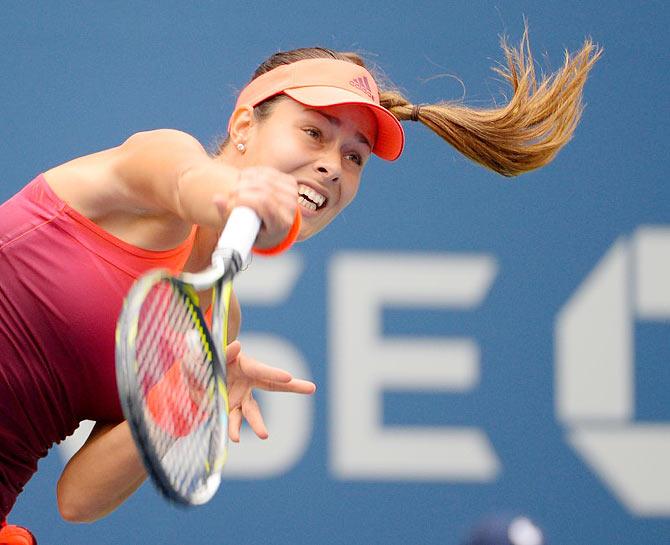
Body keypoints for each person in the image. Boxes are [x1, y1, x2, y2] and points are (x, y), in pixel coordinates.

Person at [0, 27, 600, 542]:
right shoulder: (160, 161)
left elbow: (77, 499)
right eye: (314, 133)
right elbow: (186, 182)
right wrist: (234, 196)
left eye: (354, 156)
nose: (332, 166)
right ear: (243, 125)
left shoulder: (216, 322)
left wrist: (186, 390)